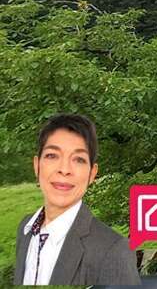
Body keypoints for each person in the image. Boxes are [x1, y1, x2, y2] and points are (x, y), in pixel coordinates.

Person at [13, 113, 141, 286]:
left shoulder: (114, 249)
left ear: (92, 174)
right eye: (52, 155)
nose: (64, 169)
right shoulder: (26, 227)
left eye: (79, 159)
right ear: (37, 166)